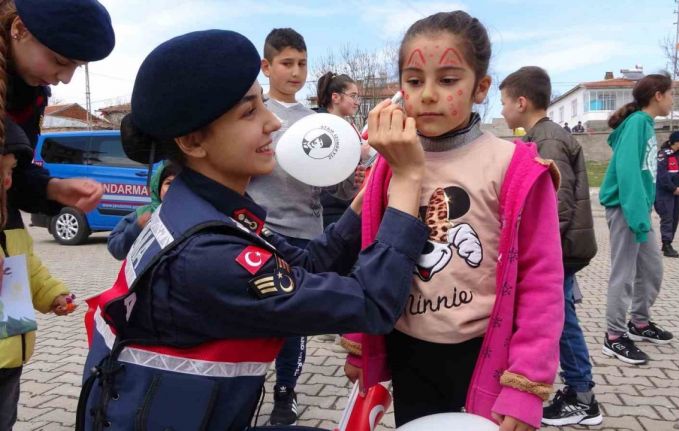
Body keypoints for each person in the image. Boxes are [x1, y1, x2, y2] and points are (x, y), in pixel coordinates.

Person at [77, 29, 428, 431]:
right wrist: (408, 180)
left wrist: (366, 197)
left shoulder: (199, 211)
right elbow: (369, 304)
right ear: (193, 142)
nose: (273, 122)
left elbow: (308, 262)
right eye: (249, 112)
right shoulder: (208, 254)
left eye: (262, 103)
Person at [341, 11, 564, 431]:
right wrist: (360, 341)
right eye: (413, 80)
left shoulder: (514, 166)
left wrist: (526, 384)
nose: (426, 95)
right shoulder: (393, 163)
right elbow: (368, 250)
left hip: (484, 355)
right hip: (409, 350)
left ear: (480, 88)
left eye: (447, 80)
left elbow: (543, 281)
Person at [246, 28, 360, 426]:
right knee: (255, 315)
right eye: (287, 63)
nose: (296, 72)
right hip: (259, 231)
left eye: (302, 64)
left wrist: (353, 176)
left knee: (294, 321)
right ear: (267, 66)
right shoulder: (253, 114)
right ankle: (243, 388)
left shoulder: (317, 122)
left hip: (307, 235)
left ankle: (284, 393)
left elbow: (338, 182)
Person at [500, 66, 601, 427]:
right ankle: (579, 389)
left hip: (559, 250)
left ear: (522, 102)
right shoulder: (544, 135)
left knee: (560, 321)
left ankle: (582, 396)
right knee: (563, 316)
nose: (502, 112)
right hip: (564, 248)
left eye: (505, 103)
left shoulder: (547, 140)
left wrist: (541, 253)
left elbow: (555, 202)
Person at [1, 0, 114, 234]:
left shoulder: (33, 94)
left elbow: (13, 177)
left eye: (77, 67)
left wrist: (52, 189)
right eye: (60, 61)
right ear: (19, 30)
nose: (65, 78)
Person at [0, 119, 76, 430]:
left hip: (11, 351)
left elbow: (26, 265)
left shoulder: (10, 218)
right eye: (0, 172)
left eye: (10, 171)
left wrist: (52, 293)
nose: (8, 182)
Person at [599, 73, 675, 366]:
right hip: (625, 209)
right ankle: (614, 336)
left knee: (652, 269)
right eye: (671, 94)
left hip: (638, 210)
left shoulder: (645, 124)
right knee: (625, 273)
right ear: (657, 94)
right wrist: (636, 214)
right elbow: (628, 170)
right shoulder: (636, 124)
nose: (672, 100)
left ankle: (639, 323)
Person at [316, 72, 367, 228]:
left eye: (357, 97)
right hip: (326, 210)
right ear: (336, 97)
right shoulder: (318, 124)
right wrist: (358, 153)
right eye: (353, 96)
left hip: (345, 204)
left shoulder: (347, 126)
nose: (357, 102)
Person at [107, 163, 180, 260]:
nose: (172, 189)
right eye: (168, 183)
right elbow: (116, 250)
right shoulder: (141, 214)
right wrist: (136, 228)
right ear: (158, 187)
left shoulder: (193, 217)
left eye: (178, 185)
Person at [655, 130, 679, 258]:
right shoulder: (663, 155)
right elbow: (662, 176)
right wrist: (674, 189)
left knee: (675, 219)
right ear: (677, 141)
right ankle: (666, 245)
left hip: (678, 193)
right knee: (667, 218)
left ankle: (668, 242)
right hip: (665, 194)